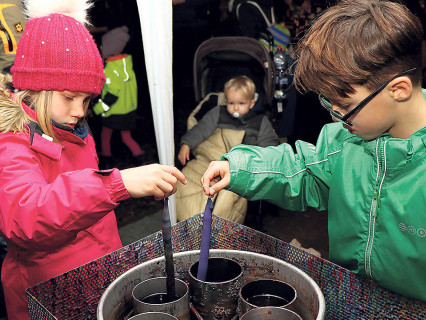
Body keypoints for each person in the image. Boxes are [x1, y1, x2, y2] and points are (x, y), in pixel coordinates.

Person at [201, 0, 426, 302]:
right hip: (351, 295)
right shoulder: (346, 140)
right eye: (329, 103)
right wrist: (242, 168)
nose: (336, 116)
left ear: (398, 89)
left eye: (345, 106)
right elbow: (302, 169)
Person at [0, 1, 186, 319]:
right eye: (69, 97)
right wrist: (117, 183)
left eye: (87, 99)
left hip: (97, 279)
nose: (80, 110)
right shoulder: (12, 142)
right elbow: (26, 217)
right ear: (36, 87)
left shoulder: (74, 128)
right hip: (48, 297)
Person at [176, 75, 279, 223]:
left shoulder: (260, 122)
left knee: (227, 197)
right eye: (231, 103)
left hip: (239, 169)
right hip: (209, 161)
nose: (235, 107)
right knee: (185, 180)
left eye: (241, 103)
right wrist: (186, 144)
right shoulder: (218, 113)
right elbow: (201, 129)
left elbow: (269, 147)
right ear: (226, 100)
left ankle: (216, 228)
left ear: (251, 103)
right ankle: (188, 221)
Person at [93, 25, 145, 169]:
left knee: (105, 134)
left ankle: (106, 159)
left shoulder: (110, 70)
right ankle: (140, 157)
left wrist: (97, 109)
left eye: (103, 46)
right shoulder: (126, 65)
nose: (101, 48)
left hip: (114, 112)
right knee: (126, 136)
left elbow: (111, 95)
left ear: (111, 48)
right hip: (128, 110)